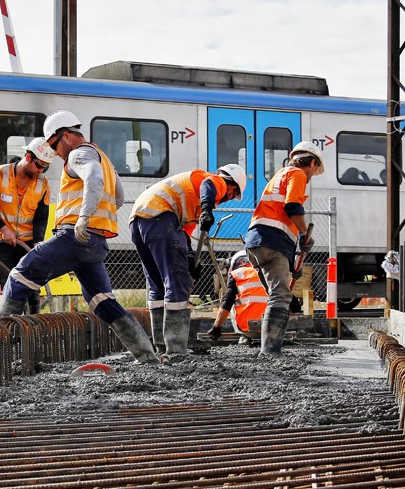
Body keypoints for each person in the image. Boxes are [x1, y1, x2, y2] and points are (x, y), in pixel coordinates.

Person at [0, 110, 160, 364]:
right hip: (94, 245)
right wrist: (95, 221)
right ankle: (147, 357)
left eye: (53, 145)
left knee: (20, 275)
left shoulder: (78, 153)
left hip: (74, 237)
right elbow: (118, 197)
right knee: (103, 302)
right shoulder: (105, 159)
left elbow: (92, 178)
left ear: (68, 136)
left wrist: (83, 218)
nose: (55, 153)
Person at [129, 164, 246, 359]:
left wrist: (190, 257)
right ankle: (176, 348)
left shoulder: (191, 198)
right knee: (177, 283)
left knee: (158, 285)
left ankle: (162, 345)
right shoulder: (213, 182)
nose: (229, 198)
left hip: (140, 220)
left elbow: (184, 235)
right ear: (232, 185)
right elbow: (210, 185)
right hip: (160, 216)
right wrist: (208, 209)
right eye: (234, 194)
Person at [244, 140, 324, 354]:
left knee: (275, 295)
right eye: (314, 170)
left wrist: (292, 265)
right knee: (280, 296)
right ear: (312, 163)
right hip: (273, 241)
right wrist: (304, 233)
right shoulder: (297, 174)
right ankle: (270, 351)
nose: (311, 176)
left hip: (256, 241)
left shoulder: (280, 175)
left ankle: (269, 348)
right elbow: (292, 207)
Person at [0, 138, 54, 314]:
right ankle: (10, 328)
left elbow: (41, 217)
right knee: (8, 288)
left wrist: (37, 242)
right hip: (2, 244)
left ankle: (34, 326)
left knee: (32, 289)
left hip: (27, 244)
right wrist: (4, 229)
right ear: (28, 157)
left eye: (45, 167)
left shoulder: (43, 183)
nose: (41, 171)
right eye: (39, 166)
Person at [202, 250, 269, 343]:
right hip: (273, 328)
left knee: (233, 300)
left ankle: (244, 337)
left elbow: (227, 303)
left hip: (248, 329)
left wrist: (216, 328)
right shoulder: (270, 273)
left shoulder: (237, 274)